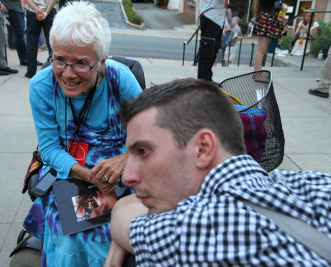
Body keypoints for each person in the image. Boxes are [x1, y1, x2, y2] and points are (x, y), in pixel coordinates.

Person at [105, 78, 331, 266]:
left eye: (143, 151)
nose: (128, 176)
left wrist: (120, 241)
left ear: (203, 148)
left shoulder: (199, 230)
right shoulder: (313, 184)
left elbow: (123, 215)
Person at [22, 2, 142, 266]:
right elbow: (50, 149)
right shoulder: (42, 87)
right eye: (59, 59)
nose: (67, 73)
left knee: (114, 230)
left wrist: (124, 161)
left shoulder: (120, 80)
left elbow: (151, 135)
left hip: (124, 171)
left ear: (101, 63)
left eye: (81, 64)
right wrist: (88, 176)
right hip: (70, 170)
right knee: (75, 231)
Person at [24, 0, 56, 78]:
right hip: (49, 9)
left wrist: (36, 10)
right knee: (52, 42)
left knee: (32, 42)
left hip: (32, 11)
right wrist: (46, 13)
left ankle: (31, 71)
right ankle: (54, 68)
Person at [253, 0, 286, 75]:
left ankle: (257, 74)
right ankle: (258, 75)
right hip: (269, 20)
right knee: (261, 51)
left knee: (260, 50)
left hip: (264, 19)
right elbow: (281, 9)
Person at [197, 0, 226, 81]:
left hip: (218, 18)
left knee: (213, 51)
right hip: (210, 15)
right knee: (207, 51)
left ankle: (208, 79)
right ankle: (203, 82)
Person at [0, 0, 27, 65]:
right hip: (11, 8)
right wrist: (0, 3)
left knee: (20, 34)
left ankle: (24, 59)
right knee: (19, 33)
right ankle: (26, 58)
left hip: (20, 8)